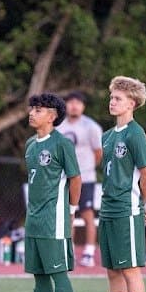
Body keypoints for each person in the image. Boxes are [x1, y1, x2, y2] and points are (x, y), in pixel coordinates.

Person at [86, 76, 146, 292]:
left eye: (118, 98)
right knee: (113, 269)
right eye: (111, 97)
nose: (112, 102)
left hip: (127, 209)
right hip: (108, 208)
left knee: (130, 269)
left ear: (132, 103)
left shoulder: (136, 134)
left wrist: (141, 202)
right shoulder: (106, 136)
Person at [12, 93, 80, 292]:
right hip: (34, 220)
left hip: (55, 220)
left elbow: (76, 179)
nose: (32, 113)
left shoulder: (62, 144)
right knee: (38, 275)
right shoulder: (31, 144)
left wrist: (71, 210)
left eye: (38, 110)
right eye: (32, 108)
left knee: (58, 273)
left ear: (52, 116)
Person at [58, 91, 103, 267]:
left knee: (87, 213)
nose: (74, 106)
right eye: (71, 102)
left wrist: (85, 168)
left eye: (78, 102)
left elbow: (98, 152)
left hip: (85, 177)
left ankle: (89, 252)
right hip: (65, 178)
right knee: (68, 213)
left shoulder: (91, 126)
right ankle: (68, 250)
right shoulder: (59, 125)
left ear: (83, 106)